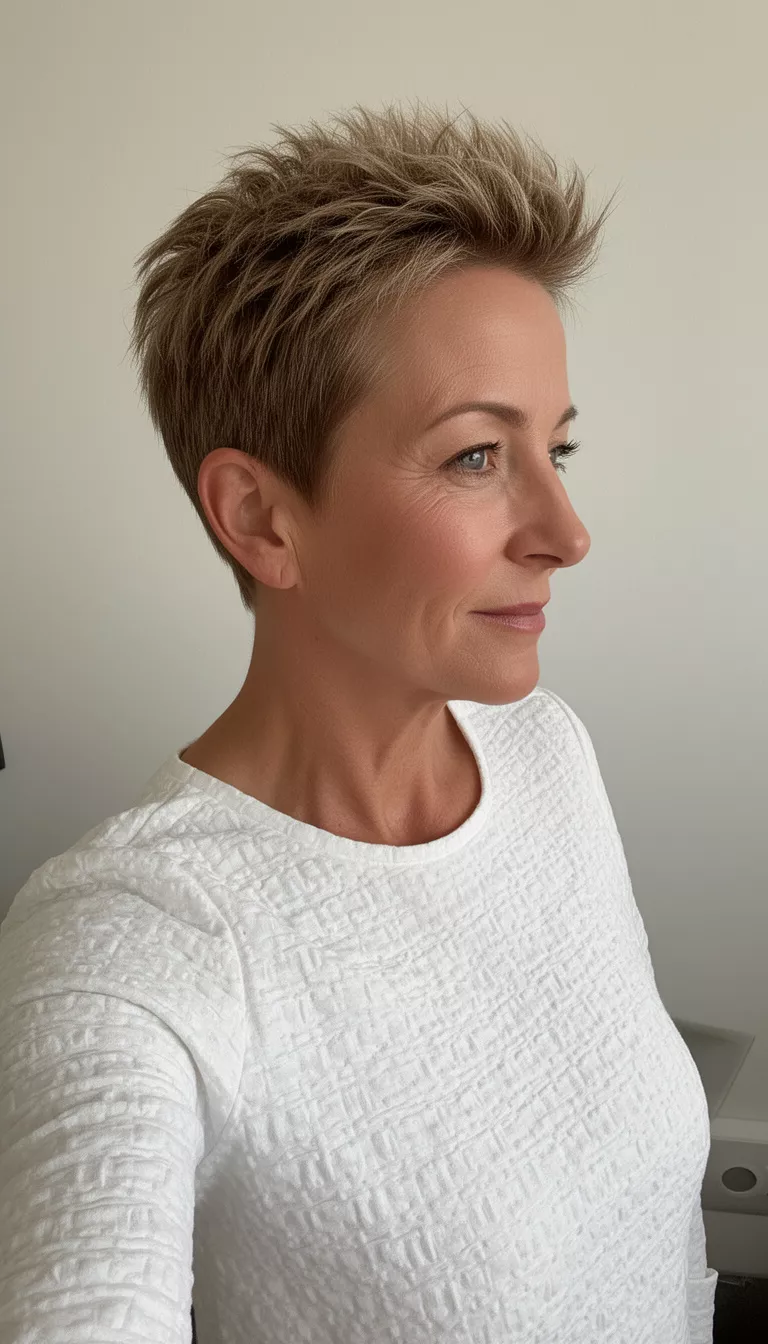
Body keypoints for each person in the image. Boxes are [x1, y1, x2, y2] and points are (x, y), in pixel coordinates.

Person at [0, 101, 718, 1343]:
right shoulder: (134, 938)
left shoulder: (548, 755)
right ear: (262, 519)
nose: (567, 531)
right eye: (477, 459)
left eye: (558, 446)